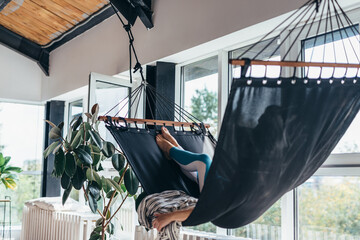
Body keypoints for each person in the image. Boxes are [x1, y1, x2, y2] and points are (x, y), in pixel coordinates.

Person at [152, 127, 212, 232]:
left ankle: (170, 149)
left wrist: (168, 217)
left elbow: (204, 210)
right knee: (201, 168)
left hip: (213, 194)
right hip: (215, 182)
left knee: (203, 161)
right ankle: (175, 148)